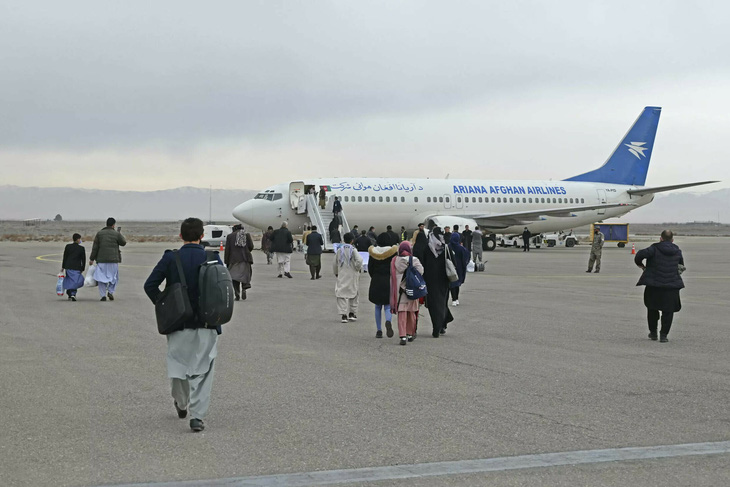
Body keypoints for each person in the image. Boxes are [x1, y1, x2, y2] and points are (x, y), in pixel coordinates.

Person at [143, 217, 222, 432]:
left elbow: (150, 285)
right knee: (204, 371)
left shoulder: (171, 258)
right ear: (202, 236)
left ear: (180, 236)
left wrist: (165, 305)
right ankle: (197, 416)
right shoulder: (213, 258)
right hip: (207, 323)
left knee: (178, 366)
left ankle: (181, 402)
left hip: (178, 322)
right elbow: (224, 288)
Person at [634, 230, 685, 343]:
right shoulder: (677, 251)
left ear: (661, 238)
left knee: (652, 308)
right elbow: (681, 266)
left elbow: (639, 255)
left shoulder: (654, 248)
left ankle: (653, 333)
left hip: (654, 284)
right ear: (672, 240)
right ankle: (664, 335)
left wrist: (641, 265)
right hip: (671, 286)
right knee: (668, 311)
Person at [422, 227, 454, 337]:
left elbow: (423, 264)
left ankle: (437, 326)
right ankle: (441, 325)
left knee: (433, 304)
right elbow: (453, 262)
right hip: (444, 280)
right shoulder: (445, 248)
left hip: (430, 280)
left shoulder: (427, 248)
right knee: (442, 302)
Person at [391, 241, 424, 345]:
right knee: (411, 313)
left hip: (400, 291)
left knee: (402, 313)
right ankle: (410, 333)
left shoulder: (394, 260)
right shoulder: (414, 260)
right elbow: (421, 271)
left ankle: (402, 335)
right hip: (412, 290)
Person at [89, 217, 127, 301]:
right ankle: (110, 291)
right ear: (113, 225)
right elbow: (123, 242)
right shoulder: (116, 234)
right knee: (114, 277)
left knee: (101, 278)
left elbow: (95, 247)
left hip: (101, 260)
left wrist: (91, 258)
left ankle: (103, 295)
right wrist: (119, 233)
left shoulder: (99, 233)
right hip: (113, 260)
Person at [368, 233, 397, 338]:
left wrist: (374, 276)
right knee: (388, 305)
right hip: (388, 281)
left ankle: (379, 330)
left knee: (377, 306)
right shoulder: (393, 252)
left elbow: (370, 268)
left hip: (376, 280)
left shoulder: (373, 252)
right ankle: (388, 321)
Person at [333, 233, 363, 323]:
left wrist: (336, 272)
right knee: (353, 293)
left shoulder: (339, 250)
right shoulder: (353, 250)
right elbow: (360, 260)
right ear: (352, 240)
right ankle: (352, 313)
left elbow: (335, 263)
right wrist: (357, 268)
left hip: (342, 274)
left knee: (341, 294)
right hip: (352, 275)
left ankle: (343, 315)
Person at [224, 224, 254, 301]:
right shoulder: (246, 235)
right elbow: (251, 246)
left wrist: (226, 261)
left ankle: (237, 294)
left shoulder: (230, 236)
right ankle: (244, 288)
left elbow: (227, 249)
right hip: (245, 259)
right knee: (244, 275)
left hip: (233, 259)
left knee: (234, 277)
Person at [61, 233, 85, 301]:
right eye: (80, 239)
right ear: (77, 239)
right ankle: (72, 293)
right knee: (75, 281)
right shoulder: (81, 248)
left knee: (70, 280)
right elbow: (83, 259)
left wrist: (63, 267)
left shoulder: (68, 246)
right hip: (77, 267)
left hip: (68, 266)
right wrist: (82, 267)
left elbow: (65, 257)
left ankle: (70, 292)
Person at [448, 233, 469, 306]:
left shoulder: (448, 247)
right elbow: (465, 258)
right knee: (457, 283)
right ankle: (456, 298)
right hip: (459, 268)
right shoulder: (461, 248)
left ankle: (454, 298)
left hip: (450, 267)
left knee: (452, 284)